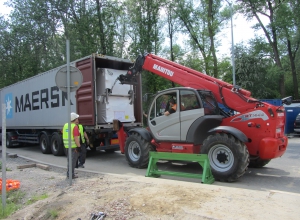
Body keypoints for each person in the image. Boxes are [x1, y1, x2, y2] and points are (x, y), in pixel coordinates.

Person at [62, 112, 81, 179]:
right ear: (74, 119)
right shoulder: (74, 127)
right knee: (73, 161)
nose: (78, 120)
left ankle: (69, 173)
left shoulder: (65, 125)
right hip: (74, 147)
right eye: (77, 118)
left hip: (67, 147)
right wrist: (79, 146)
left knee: (69, 161)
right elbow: (76, 138)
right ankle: (71, 175)